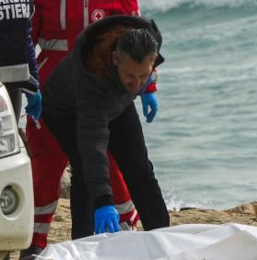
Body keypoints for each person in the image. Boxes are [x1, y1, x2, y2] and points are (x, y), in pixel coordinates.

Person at [24, 0, 154, 258]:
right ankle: (34, 244)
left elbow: (139, 40)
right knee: (45, 161)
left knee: (107, 161)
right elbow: (26, 38)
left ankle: (126, 229)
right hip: (52, 90)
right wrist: (26, 82)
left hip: (102, 90)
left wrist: (149, 86)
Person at [41, 14, 170, 237]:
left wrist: (148, 89)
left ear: (154, 58)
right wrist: (103, 202)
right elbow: (94, 146)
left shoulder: (148, 39)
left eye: (143, 76)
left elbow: (137, 78)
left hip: (117, 102)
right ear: (115, 59)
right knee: (85, 168)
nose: (136, 83)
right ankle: (85, 242)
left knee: (139, 168)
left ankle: (163, 237)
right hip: (66, 111)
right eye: (130, 75)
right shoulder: (93, 75)